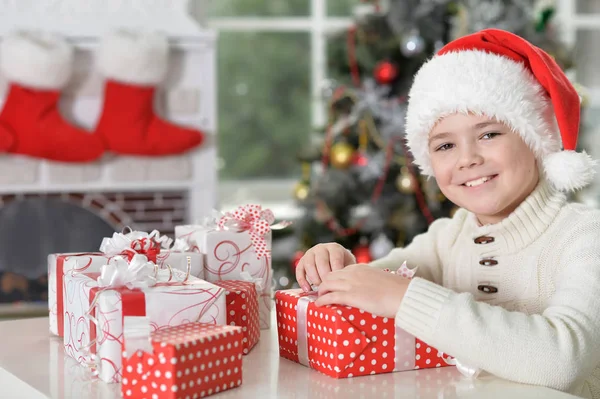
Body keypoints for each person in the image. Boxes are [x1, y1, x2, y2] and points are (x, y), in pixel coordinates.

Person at [294, 29, 600, 398]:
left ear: (536, 139)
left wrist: (405, 298)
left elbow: (561, 362)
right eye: (445, 145)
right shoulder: (448, 237)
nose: (467, 158)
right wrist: (335, 265)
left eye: (489, 134)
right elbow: (374, 285)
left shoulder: (585, 237)